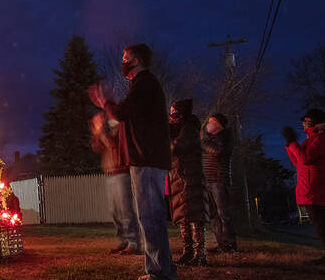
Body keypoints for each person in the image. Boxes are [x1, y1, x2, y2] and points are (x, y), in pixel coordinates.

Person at [93, 43, 177, 280]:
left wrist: (105, 103)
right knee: (149, 216)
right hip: (145, 158)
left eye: (126, 58)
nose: (123, 62)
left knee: (150, 216)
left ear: (136, 61)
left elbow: (121, 113)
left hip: (146, 159)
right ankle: (160, 269)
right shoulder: (141, 85)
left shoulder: (145, 84)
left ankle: (160, 272)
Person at [282, 108, 325, 266]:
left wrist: (293, 142)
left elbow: (306, 158)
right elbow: (298, 162)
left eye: (306, 121)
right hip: (310, 185)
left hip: (317, 185)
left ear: (314, 122)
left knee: (321, 221)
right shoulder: (313, 139)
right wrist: (290, 144)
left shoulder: (324, 139)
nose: (303, 124)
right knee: (319, 222)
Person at [88, 109, 141, 256]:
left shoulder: (121, 129)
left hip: (122, 173)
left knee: (126, 211)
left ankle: (133, 243)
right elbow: (97, 147)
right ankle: (123, 241)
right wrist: (96, 133)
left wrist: (100, 131)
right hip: (110, 174)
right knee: (115, 212)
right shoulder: (109, 131)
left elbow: (113, 146)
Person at [168, 99, 209, 266]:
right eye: (170, 113)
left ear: (182, 114)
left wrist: (168, 139)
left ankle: (200, 254)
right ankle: (188, 251)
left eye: (174, 113)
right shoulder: (179, 129)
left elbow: (179, 146)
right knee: (183, 215)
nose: (171, 116)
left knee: (194, 215)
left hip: (190, 177)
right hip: (179, 176)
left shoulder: (189, 128)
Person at [201, 113, 237, 253]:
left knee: (224, 214)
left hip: (219, 180)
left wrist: (203, 142)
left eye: (212, 122)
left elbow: (218, 151)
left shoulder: (226, 137)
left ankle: (231, 244)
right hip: (208, 180)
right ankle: (221, 244)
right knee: (214, 215)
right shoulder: (209, 139)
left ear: (219, 125)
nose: (208, 124)